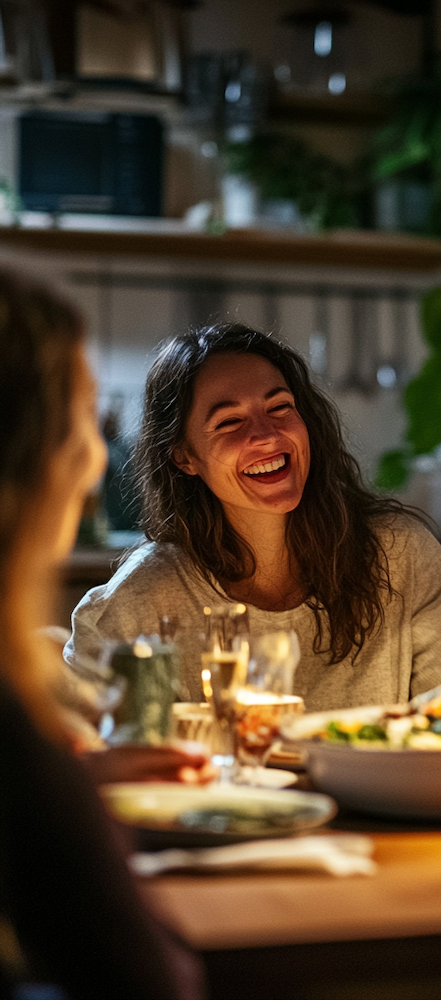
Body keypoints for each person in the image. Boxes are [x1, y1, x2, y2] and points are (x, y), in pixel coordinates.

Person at [65, 323, 441, 710]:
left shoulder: (403, 557)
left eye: (280, 407)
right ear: (185, 457)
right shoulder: (143, 600)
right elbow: (85, 748)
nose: (267, 435)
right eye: (229, 422)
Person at [0, 266, 203, 998]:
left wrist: (78, 786)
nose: (94, 461)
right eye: (85, 416)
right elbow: (148, 980)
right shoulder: (16, 736)